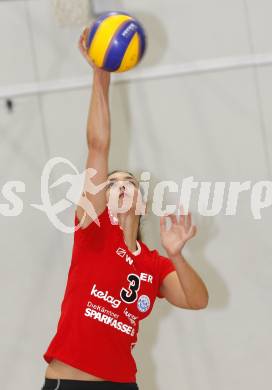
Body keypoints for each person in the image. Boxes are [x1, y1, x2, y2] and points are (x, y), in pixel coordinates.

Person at [41, 27, 209, 390]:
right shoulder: (92, 227)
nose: (117, 186)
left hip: (122, 384)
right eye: (110, 183)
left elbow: (197, 301)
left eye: (126, 182)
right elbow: (98, 146)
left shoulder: (154, 263)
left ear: (141, 201)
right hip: (70, 382)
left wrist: (177, 255)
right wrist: (101, 73)